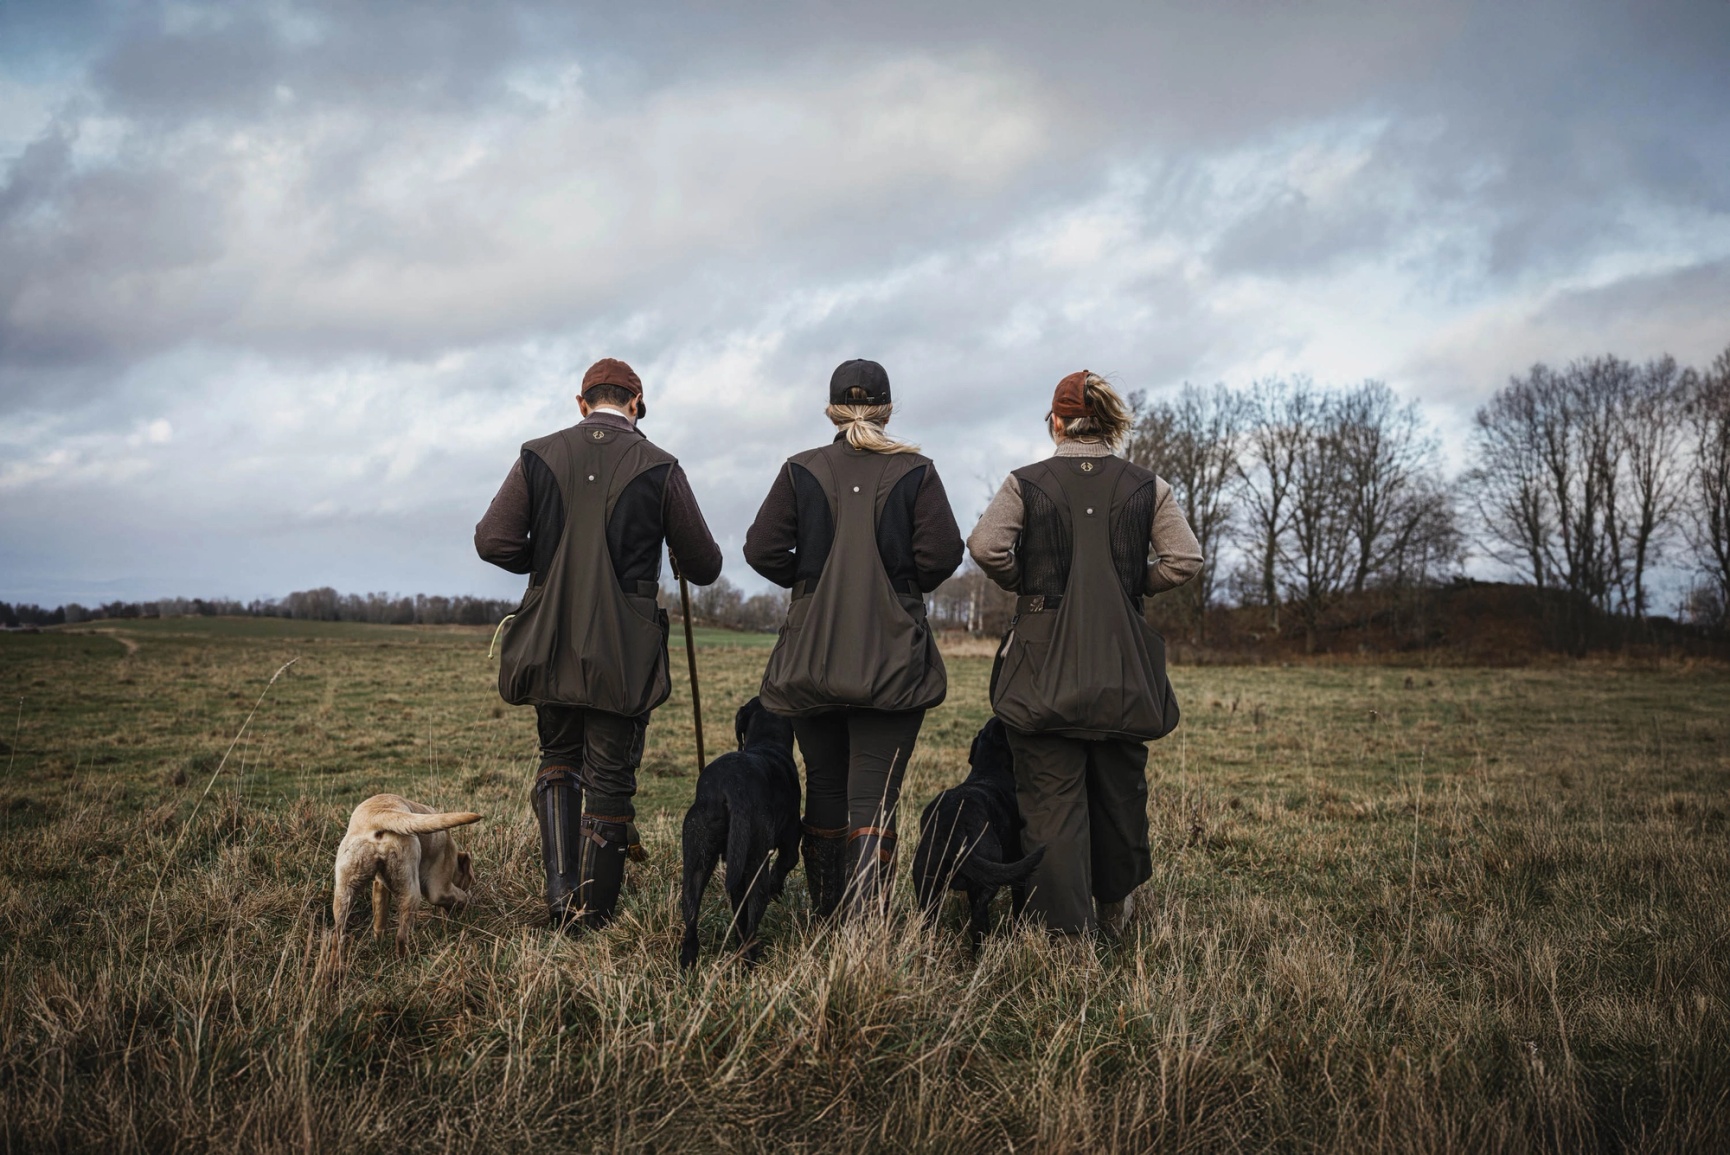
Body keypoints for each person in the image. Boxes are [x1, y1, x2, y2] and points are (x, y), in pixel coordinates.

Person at [476, 357, 722, 932]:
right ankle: (590, 920)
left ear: (582, 402)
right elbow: (705, 565)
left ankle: (563, 901)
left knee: (558, 759)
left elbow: (493, 540)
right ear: (636, 404)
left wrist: (541, 565)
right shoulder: (659, 464)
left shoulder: (537, 454)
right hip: (624, 647)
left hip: (548, 634)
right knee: (610, 776)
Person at [967, 371, 1202, 938]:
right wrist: (1131, 585)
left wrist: (1029, 584)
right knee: (1120, 792)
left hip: (1040, 663)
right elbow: (1185, 558)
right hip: (1121, 659)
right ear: (1107, 424)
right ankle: (1114, 918)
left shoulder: (1027, 482)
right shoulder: (1149, 486)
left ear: (1056, 422)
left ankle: (1066, 938)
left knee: (1050, 800)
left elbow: (984, 545)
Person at [745, 359, 963, 916]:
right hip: (893, 657)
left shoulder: (801, 468)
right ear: (887, 410)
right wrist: (901, 590)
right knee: (874, 797)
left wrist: (811, 584)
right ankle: (863, 934)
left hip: (810, 655)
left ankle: (826, 917)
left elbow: (762, 549)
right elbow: (941, 555)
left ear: (832, 409)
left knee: (824, 787)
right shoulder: (918, 470)